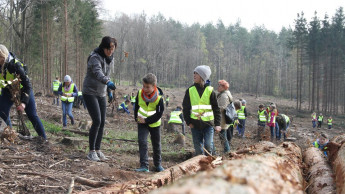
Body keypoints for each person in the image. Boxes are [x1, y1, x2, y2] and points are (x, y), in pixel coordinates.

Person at [0, 44, 47, 140]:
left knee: (32, 115)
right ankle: (10, 135)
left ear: (3, 55)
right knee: (2, 113)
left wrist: (24, 103)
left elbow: (27, 85)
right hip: (8, 91)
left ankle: (44, 139)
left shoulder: (15, 65)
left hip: (23, 91)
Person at [82, 36, 117, 161]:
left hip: (101, 93)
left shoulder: (110, 59)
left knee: (102, 122)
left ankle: (97, 149)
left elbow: (107, 74)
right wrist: (108, 82)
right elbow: (98, 73)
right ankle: (91, 151)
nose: (110, 51)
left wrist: (109, 92)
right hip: (90, 92)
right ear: (103, 47)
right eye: (108, 49)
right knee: (96, 120)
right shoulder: (94, 57)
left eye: (112, 49)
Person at [182, 65, 221, 156]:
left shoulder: (210, 90)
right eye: (194, 73)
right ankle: (200, 166)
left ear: (203, 76)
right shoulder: (190, 90)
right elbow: (186, 107)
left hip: (208, 125)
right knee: (198, 149)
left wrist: (218, 124)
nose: (194, 75)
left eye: (197, 73)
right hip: (195, 125)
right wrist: (188, 122)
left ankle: (209, 165)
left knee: (208, 145)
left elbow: (216, 108)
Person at [134, 73, 165, 172]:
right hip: (142, 124)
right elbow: (137, 107)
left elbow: (159, 114)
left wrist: (147, 120)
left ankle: (158, 165)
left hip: (154, 124)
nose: (145, 89)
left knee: (156, 144)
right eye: (143, 86)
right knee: (142, 142)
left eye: (147, 87)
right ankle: (144, 166)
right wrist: (136, 118)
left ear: (154, 86)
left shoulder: (160, 98)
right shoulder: (139, 93)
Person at [216, 80, 233, 153]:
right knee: (223, 136)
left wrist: (214, 111)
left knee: (223, 136)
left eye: (219, 86)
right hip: (222, 119)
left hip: (222, 119)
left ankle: (227, 151)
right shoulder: (223, 94)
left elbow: (222, 107)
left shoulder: (224, 96)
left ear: (223, 87)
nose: (218, 87)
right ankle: (226, 150)